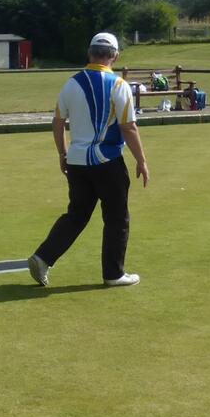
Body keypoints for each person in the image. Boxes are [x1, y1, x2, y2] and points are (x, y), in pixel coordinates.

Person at [27, 32, 150, 288]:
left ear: (90, 53)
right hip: (108, 161)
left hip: (77, 162)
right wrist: (142, 160)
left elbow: (58, 122)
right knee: (117, 218)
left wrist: (62, 153)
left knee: (77, 215)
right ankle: (113, 274)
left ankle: (43, 257)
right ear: (115, 56)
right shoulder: (118, 85)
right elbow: (128, 128)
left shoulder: (71, 83)